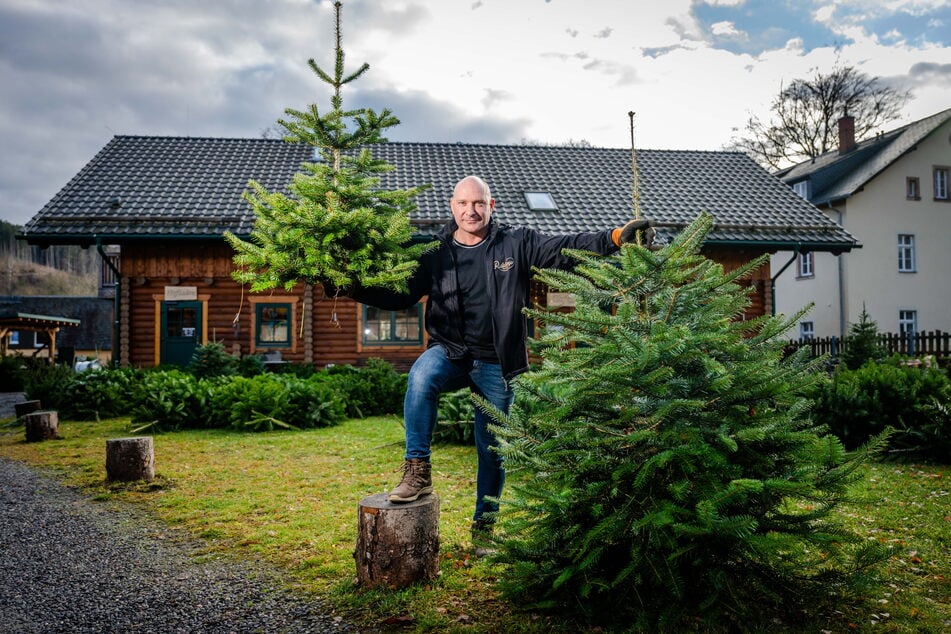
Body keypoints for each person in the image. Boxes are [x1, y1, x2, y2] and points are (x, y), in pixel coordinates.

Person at [346, 175, 652, 550]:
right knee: (421, 376)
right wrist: (348, 285)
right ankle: (417, 471)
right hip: (451, 351)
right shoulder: (434, 253)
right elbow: (398, 294)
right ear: (452, 207)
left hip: (498, 362)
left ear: (491, 207)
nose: (470, 211)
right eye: (463, 203)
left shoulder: (516, 243)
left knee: (491, 450)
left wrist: (616, 238)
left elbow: (565, 248)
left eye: (478, 203)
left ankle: (484, 530)